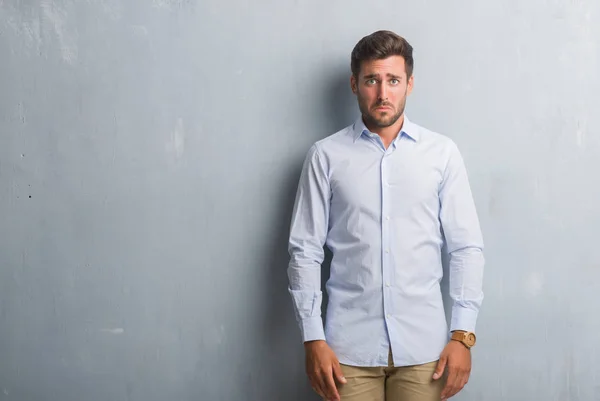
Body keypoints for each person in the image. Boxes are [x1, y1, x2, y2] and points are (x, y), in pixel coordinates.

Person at [286, 30, 485, 401]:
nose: (383, 93)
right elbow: (305, 252)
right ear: (354, 84)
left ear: (409, 83)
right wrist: (312, 336)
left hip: (425, 352)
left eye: (393, 80)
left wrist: (463, 335)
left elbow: (466, 248)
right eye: (372, 80)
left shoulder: (442, 154)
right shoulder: (325, 156)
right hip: (347, 353)